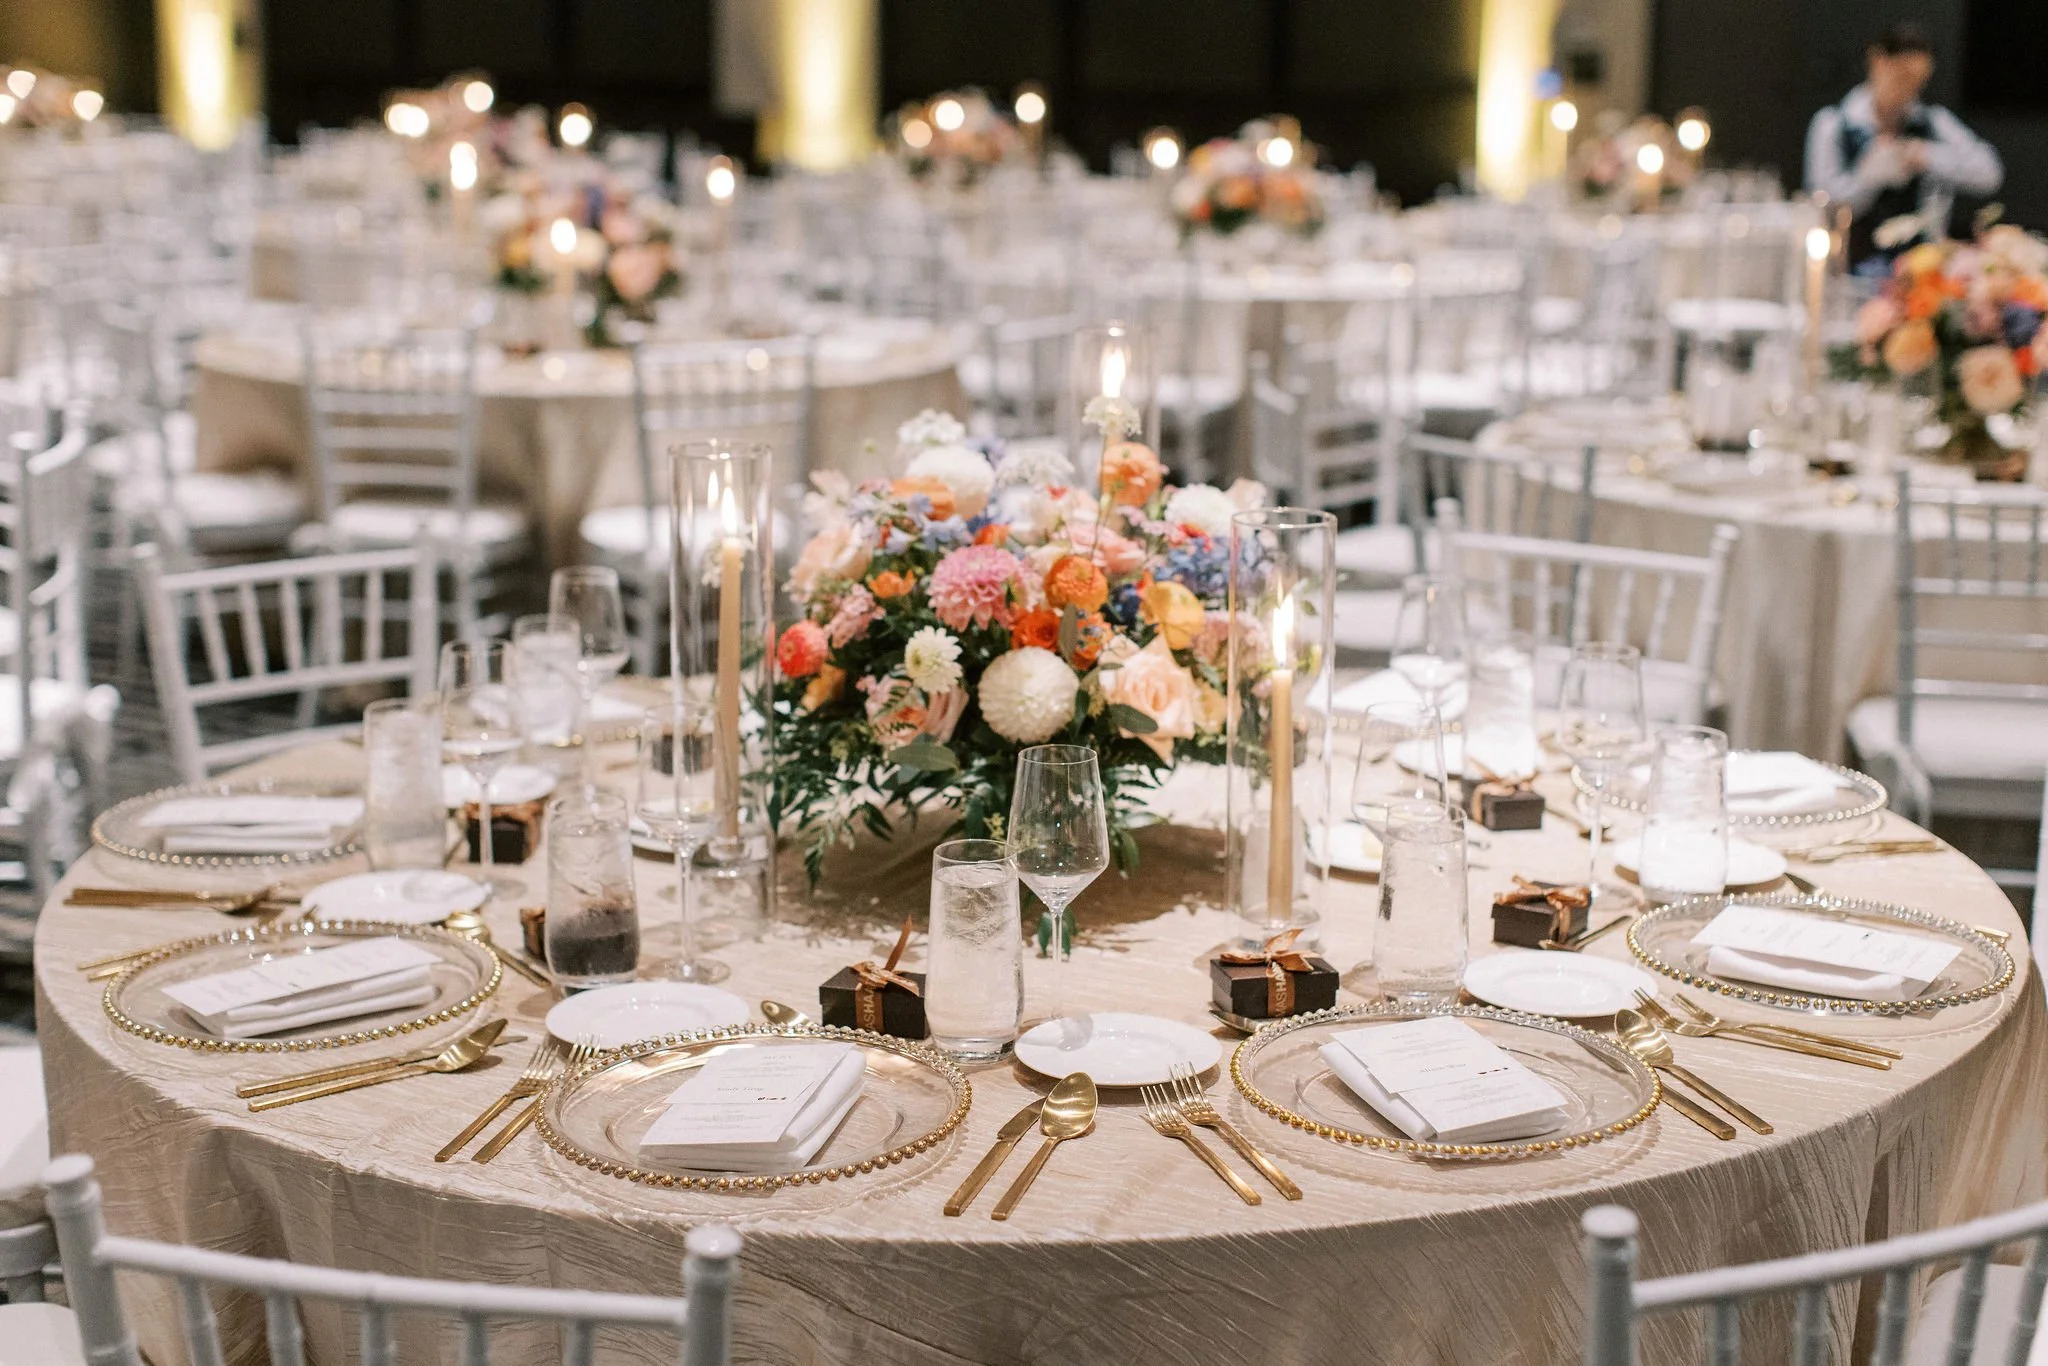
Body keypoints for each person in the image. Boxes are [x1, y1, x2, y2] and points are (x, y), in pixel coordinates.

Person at [1805, 20, 2003, 273]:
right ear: (1878, 60)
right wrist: (1869, 177)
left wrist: (1927, 156)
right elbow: (1820, 206)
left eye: (1918, 81)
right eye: (1902, 76)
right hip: (1850, 268)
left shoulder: (1932, 121)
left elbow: (1989, 172)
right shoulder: (1833, 123)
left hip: (1918, 269)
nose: (1908, 89)